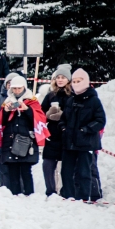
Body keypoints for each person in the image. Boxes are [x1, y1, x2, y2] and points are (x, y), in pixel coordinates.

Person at [59, 69, 106, 201]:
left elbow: (100, 121)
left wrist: (86, 130)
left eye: (79, 81)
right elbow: (63, 119)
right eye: (74, 81)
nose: (76, 84)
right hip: (69, 143)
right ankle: (68, 196)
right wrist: (63, 128)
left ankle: (83, 197)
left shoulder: (94, 100)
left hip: (86, 143)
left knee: (84, 172)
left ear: (85, 81)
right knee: (66, 171)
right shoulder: (70, 100)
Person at [0, 76, 48, 195]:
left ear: (24, 87)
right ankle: (15, 194)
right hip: (10, 139)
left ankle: (29, 194)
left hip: (27, 140)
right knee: (13, 170)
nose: (17, 91)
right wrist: (5, 112)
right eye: (14, 88)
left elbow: (39, 120)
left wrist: (28, 110)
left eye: (19, 88)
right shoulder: (7, 102)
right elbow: (0, 123)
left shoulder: (32, 101)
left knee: (26, 170)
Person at [40, 64, 72, 196]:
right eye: (58, 77)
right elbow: (41, 114)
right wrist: (48, 114)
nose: (60, 80)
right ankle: (50, 191)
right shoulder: (50, 96)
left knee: (66, 167)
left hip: (66, 134)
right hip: (52, 135)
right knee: (47, 164)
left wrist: (63, 115)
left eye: (63, 77)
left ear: (68, 80)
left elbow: (76, 114)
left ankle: (66, 192)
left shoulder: (73, 96)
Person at [0, 72, 20, 189]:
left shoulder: (23, 99)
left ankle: (19, 190)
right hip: (1, 139)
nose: (10, 85)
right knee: (3, 167)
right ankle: (4, 189)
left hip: (18, 139)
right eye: (9, 83)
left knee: (18, 168)